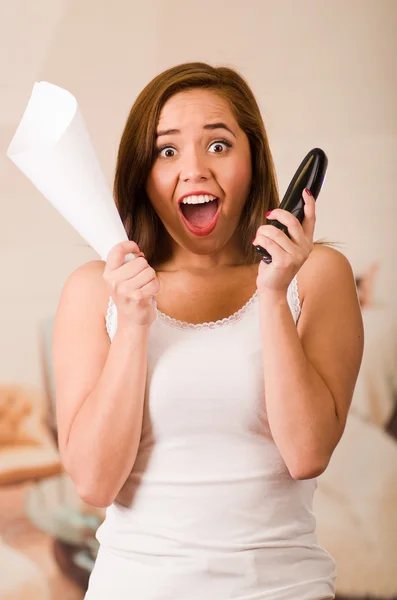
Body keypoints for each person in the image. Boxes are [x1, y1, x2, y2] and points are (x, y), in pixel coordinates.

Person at [53, 62, 364, 599]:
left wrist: (271, 292)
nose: (194, 170)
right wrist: (132, 324)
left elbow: (307, 452)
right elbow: (94, 482)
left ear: (253, 158)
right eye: (167, 150)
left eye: (218, 145)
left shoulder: (317, 277)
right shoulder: (94, 290)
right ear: (142, 173)